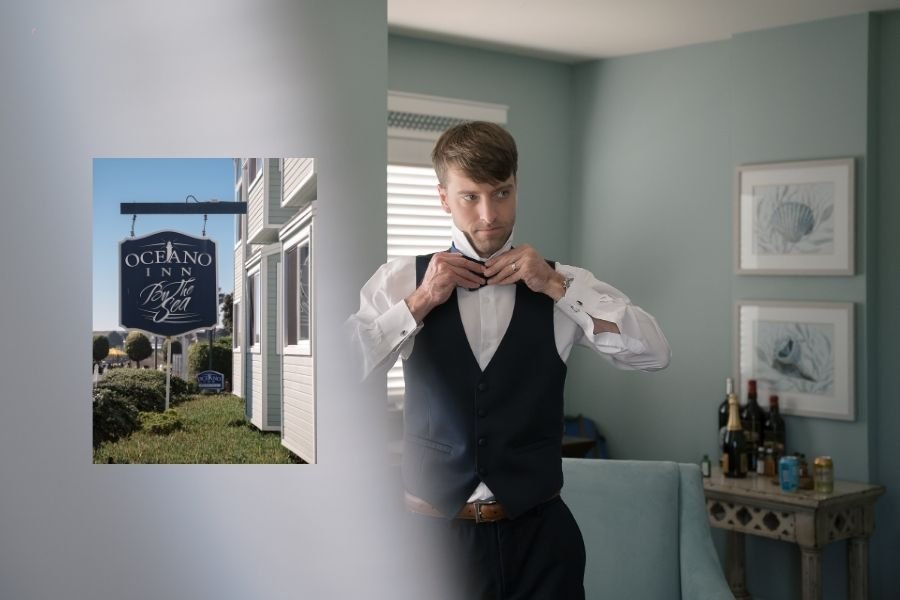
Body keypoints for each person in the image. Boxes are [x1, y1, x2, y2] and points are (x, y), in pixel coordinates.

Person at [346, 121, 671, 599]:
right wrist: (420, 302)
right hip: (431, 540)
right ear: (443, 199)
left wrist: (558, 289)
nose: (488, 214)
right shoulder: (400, 281)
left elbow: (654, 355)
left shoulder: (564, 284)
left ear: (516, 186)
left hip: (540, 541)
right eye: (470, 197)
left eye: (501, 193)